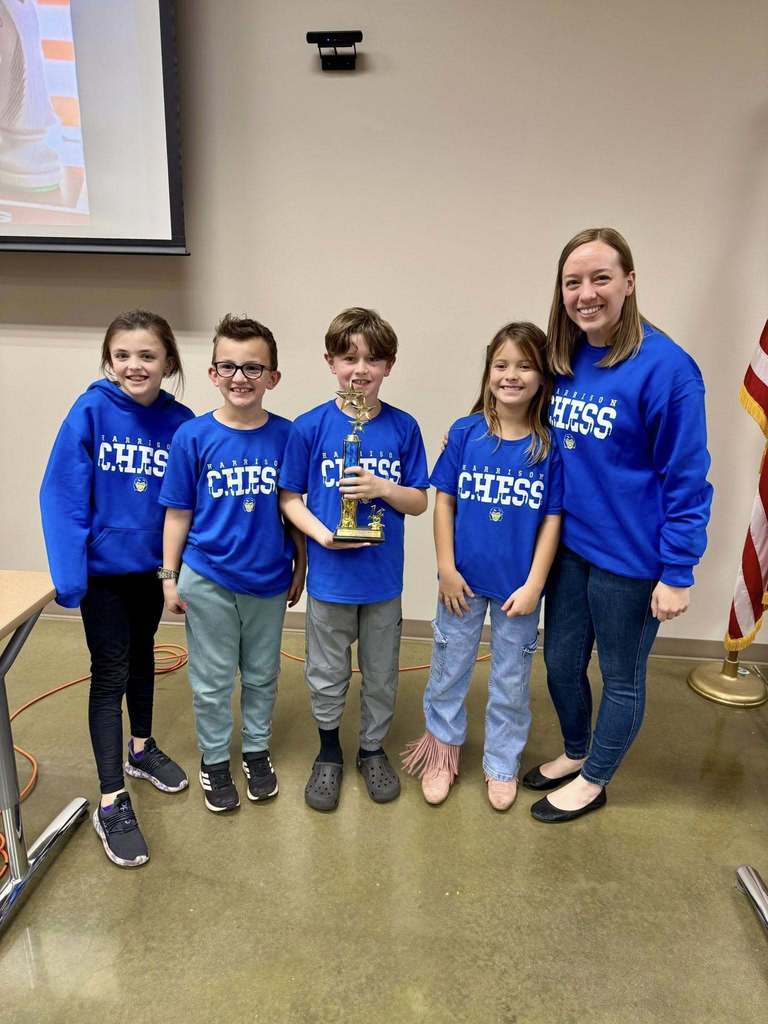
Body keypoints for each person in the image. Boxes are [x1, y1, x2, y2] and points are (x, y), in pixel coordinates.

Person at [523, 227, 713, 822]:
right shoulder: (565, 354)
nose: (586, 293)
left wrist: (678, 571)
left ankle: (596, 778)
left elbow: (687, 479)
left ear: (629, 283)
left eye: (601, 277)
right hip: (571, 547)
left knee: (622, 676)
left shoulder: (668, 369)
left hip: (632, 560)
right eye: (573, 281)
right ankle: (578, 751)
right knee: (559, 663)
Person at [40, 309, 194, 867]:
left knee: (144, 657)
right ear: (109, 360)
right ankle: (112, 799)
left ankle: (141, 748)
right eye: (123, 355)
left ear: (168, 363)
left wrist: (186, 571)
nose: (134, 365)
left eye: (147, 355)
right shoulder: (91, 410)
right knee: (109, 672)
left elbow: (191, 503)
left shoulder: (182, 422)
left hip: (151, 570)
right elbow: (60, 492)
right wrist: (71, 575)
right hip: (103, 573)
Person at [402, 323, 563, 810]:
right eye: (501, 365)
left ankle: (501, 762)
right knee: (449, 670)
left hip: (518, 590)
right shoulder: (466, 434)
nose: (511, 375)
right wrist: (446, 567)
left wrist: (536, 584)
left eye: (524, 365)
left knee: (511, 680)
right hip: (461, 584)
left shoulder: (548, 446)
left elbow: (552, 521)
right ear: (488, 371)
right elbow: (444, 502)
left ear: (541, 377)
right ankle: (442, 752)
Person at [279, 307, 429, 812]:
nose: (360, 369)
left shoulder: (404, 428)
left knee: (383, 673)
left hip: (383, 581)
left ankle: (371, 749)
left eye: (372, 358)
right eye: (349, 357)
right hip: (330, 579)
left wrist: (382, 488)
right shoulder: (309, 428)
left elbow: (419, 500)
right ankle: (328, 752)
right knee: (326, 671)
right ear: (331, 362)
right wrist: (323, 537)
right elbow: (289, 499)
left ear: (390, 364)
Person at [159, 315, 305, 813]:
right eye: (229, 366)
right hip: (209, 577)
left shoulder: (289, 436)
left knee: (262, 673)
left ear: (273, 377)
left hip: (268, 578)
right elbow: (178, 512)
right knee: (212, 677)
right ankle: (215, 759)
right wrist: (168, 578)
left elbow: (293, 509)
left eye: (253, 367)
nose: (240, 377)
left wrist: (299, 570)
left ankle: (257, 751)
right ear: (213, 374)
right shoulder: (192, 437)